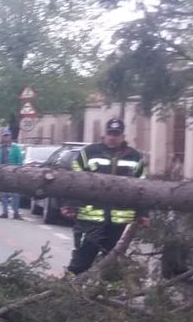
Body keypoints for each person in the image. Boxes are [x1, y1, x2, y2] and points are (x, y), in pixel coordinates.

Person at [61, 118, 148, 275]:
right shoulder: (89, 153)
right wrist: (71, 204)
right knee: (82, 260)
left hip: (119, 221)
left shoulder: (134, 157)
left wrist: (143, 214)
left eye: (116, 134)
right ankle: (72, 291)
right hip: (89, 219)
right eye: (110, 133)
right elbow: (74, 181)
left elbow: (142, 189)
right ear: (104, 134)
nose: (112, 137)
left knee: (112, 263)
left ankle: (106, 295)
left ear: (123, 136)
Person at [0, 130, 25, 219]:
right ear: (2, 137)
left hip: (13, 173)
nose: (6, 137)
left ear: (10, 137)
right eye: (4, 136)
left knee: (15, 194)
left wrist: (18, 171)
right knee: (3, 194)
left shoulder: (15, 148)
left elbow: (19, 161)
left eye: (7, 136)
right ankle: (5, 212)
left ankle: (16, 213)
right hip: (1, 173)